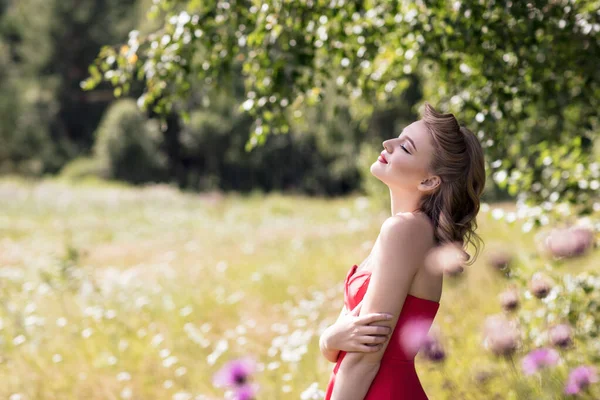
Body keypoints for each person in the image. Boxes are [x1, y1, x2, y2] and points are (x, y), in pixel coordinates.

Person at [319, 102, 486, 399]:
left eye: (406, 148)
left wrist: (332, 339)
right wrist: (328, 338)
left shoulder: (406, 231)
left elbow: (363, 359)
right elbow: (341, 343)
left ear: (428, 181)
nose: (388, 144)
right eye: (398, 137)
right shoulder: (407, 231)